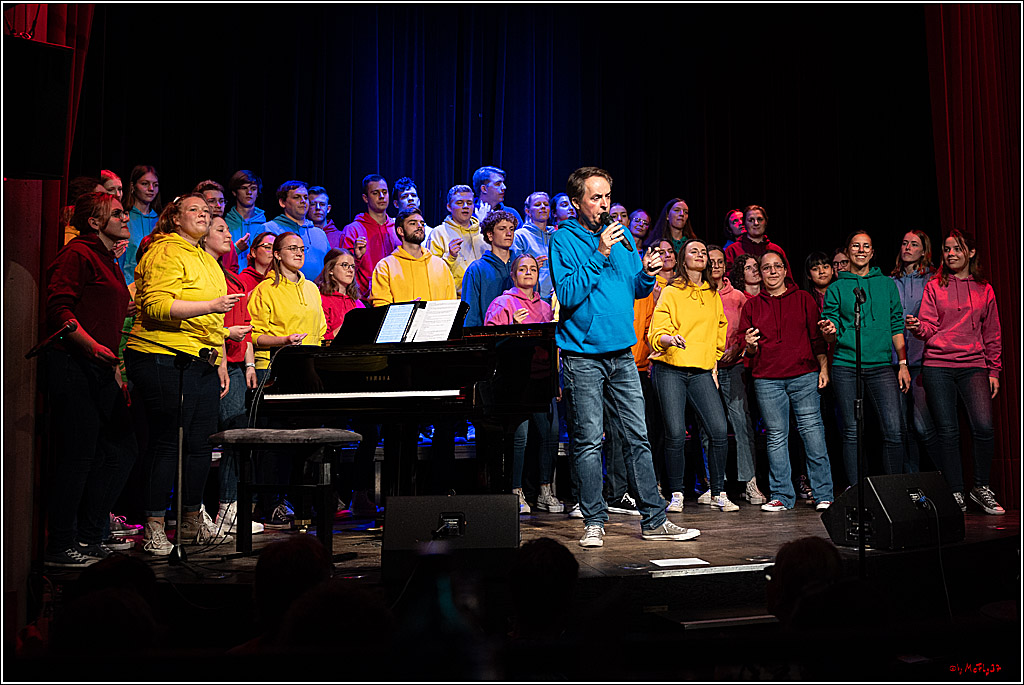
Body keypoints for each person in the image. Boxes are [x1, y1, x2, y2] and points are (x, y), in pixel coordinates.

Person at [550, 166, 700, 547]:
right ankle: (594, 522)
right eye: (595, 197)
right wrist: (600, 251)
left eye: (607, 197)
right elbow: (568, 295)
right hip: (582, 355)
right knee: (588, 440)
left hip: (622, 353)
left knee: (638, 437)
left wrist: (647, 275)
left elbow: (633, 289)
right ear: (576, 202)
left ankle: (655, 520)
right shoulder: (564, 240)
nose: (604, 204)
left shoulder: (622, 238)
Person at [126, 194, 236, 554]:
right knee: (168, 442)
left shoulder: (206, 259)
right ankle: (155, 525)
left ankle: (190, 520)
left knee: (201, 444)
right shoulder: (165, 250)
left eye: (207, 211)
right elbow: (155, 306)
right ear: (175, 218)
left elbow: (214, 321)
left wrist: (219, 361)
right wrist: (210, 305)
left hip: (200, 361)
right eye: (194, 210)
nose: (203, 215)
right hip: (162, 357)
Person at [42, 192, 138, 568]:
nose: (125, 216)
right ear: (96, 222)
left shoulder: (108, 258)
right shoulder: (78, 254)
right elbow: (58, 309)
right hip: (75, 364)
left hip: (101, 367)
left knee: (119, 450)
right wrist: (91, 346)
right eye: (116, 213)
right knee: (78, 458)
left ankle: (91, 532)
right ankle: (60, 544)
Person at [907, 229, 1003, 515]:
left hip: (973, 364)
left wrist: (994, 370)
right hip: (938, 365)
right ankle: (955, 491)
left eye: (956, 249)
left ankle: (980, 487)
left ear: (970, 253)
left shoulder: (984, 288)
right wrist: (918, 328)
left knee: (983, 427)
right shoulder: (935, 286)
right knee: (948, 431)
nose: (950, 254)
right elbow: (929, 326)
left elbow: (992, 332)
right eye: (946, 250)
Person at [740, 250, 834, 512]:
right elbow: (748, 351)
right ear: (760, 272)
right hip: (768, 380)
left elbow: (818, 341)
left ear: (785, 270)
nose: (772, 271)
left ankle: (823, 493)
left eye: (777, 266)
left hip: (804, 375)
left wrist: (823, 369)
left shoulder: (804, 299)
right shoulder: (752, 306)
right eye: (766, 267)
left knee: (813, 433)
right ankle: (782, 495)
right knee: (776, 437)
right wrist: (748, 346)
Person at [649, 238, 737, 514]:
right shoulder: (672, 291)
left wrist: (713, 363)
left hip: (700, 371)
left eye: (703, 252)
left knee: (719, 430)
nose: (700, 255)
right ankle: (676, 492)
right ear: (682, 259)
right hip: (670, 369)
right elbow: (656, 331)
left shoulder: (712, 293)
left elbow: (719, 329)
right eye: (693, 251)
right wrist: (669, 339)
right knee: (675, 433)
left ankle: (718, 492)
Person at [248, 231, 328, 528]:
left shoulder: (311, 289)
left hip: (308, 371)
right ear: (277, 255)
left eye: (301, 248)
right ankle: (272, 503)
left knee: (306, 442)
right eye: (291, 248)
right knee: (276, 442)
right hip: (275, 371)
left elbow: (319, 331)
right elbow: (255, 335)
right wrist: (283, 340)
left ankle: (302, 501)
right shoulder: (265, 291)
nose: (298, 252)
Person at [819, 231, 911, 485]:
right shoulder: (837, 288)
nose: (861, 250)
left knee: (893, 429)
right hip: (847, 365)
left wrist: (902, 365)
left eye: (866, 246)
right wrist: (829, 331)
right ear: (848, 252)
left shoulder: (886, 284)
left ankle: (893, 489)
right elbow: (831, 331)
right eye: (855, 246)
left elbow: (896, 326)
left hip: (881, 366)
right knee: (851, 432)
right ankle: (856, 490)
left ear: (872, 252)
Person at [484, 254, 562, 515]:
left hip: (542, 379)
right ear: (514, 274)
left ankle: (544, 491)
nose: (528, 272)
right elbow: (490, 342)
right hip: (515, 382)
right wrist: (513, 328)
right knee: (521, 436)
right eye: (523, 269)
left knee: (550, 436)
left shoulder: (545, 307)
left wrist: (556, 379)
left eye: (533, 269)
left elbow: (553, 346)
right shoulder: (502, 303)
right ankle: (515, 491)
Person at [200, 216, 263, 536]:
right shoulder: (206, 278)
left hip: (237, 366)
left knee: (237, 437)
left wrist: (249, 365)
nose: (228, 235)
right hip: (209, 363)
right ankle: (193, 512)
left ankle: (228, 509)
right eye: (220, 230)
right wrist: (227, 335)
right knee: (202, 440)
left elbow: (247, 327)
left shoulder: (233, 279)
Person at [317, 248, 381, 517]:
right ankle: (329, 494)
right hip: (334, 375)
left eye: (353, 266)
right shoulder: (321, 300)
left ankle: (360, 494)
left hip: (361, 374)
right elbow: (322, 335)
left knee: (370, 434)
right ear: (330, 269)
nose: (350, 270)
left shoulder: (359, 304)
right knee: (333, 435)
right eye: (344, 265)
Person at [707, 244, 763, 504]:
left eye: (720, 262)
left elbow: (746, 330)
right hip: (705, 368)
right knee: (708, 426)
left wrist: (737, 349)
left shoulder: (738, 296)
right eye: (711, 261)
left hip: (733, 366)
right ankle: (713, 484)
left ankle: (749, 482)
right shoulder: (698, 293)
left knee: (740, 422)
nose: (716, 266)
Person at [890, 230, 938, 474]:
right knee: (900, 427)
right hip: (894, 361)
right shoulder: (891, 281)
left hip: (921, 360)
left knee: (922, 424)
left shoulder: (934, 280)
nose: (907, 247)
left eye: (914, 244)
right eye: (904, 242)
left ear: (924, 250)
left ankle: (945, 478)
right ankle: (911, 480)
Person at [371, 208, 456, 307]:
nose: (419, 226)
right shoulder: (385, 267)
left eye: (422, 223)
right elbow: (380, 308)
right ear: (400, 231)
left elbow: (451, 305)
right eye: (413, 223)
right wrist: (407, 310)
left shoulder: (440, 265)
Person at [341, 174, 398, 297]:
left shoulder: (397, 228)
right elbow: (342, 270)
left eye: (384, 192)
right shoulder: (353, 230)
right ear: (365, 198)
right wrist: (356, 257)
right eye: (375, 193)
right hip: (364, 300)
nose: (381, 196)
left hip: (395, 297)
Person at [262, 180, 330, 282]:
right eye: (296, 197)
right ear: (282, 202)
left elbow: (329, 265)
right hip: (282, 291)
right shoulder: (269, 229)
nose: (303, 201)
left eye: (305, 197)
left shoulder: (320, 233)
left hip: (315, 293)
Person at [426, 184, 485, 297]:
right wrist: (450, 256)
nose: (465, 206)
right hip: (455, 301)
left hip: (483, 300)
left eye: (469, 203)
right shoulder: (439, 233)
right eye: (459, 203)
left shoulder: (483, 233)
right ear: (449, 206)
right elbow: (431, 273)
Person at [461, 210, 516, 327]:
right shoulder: (477, 269)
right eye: (502, 229)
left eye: (511, 229)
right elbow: (470, 313)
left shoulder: (521, 266)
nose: (509, 233)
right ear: (490, 235)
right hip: (488, 337)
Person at [120, 165, 162, 286]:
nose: (151, 189)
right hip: (127, 285)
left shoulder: (161, 220)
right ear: (133, 186)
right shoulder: (124, 217)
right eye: (145, 184)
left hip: (154, 287)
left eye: (155, 185)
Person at [511, 191, 556, 302]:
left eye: (546, 204)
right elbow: (513, 269)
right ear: (528, 211)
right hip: (531, 299)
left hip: (556, 297)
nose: (543, 207)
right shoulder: (520, 236)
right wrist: (530, 265)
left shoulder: (555, 236)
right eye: (537, 205)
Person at [723, 205, 790, 272]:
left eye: (760, 219)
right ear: (745, 224)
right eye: (751, 220)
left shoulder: (777, 250)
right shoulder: (732, 250)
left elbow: (788, 280)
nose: (756, 223)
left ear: (766, 222)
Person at [224, 170, 267, 273]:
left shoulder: (265, 225)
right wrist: (236, 249)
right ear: (234, 192)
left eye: (253, 189)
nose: (249, 193)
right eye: (244, 188)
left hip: (259, 281)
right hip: (230, 279)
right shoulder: (225, 223)